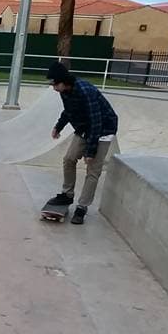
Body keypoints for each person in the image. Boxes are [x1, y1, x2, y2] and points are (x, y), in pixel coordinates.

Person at [46, 61, 119, 225]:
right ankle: (67, 195)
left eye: (54, 84)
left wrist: (90, 152)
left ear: (63, 81)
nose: (53, 87)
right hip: (85, 128)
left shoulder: (86, 91)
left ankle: (82, 207)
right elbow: (68, 111)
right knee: (69, 158)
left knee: (92, 170)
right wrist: (58, 127)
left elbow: (97, 121)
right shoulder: (64, 91)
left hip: (104, 130)